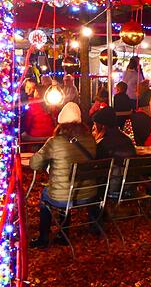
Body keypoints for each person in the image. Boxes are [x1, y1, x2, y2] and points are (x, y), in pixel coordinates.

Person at [29, 102, 98, 248]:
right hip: (89, 193)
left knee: (46, 196)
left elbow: (34, 164)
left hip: (64, 196)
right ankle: (62, 234)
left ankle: (44, 237)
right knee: (64, 187)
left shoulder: (55, 142)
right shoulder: (90, 139)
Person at [92, 107, 136, 194]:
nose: (94, 128)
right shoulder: (127, 140)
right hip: (129, 186)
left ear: (102, 126)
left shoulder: (102, 144)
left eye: (95, 125)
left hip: (109, 188)